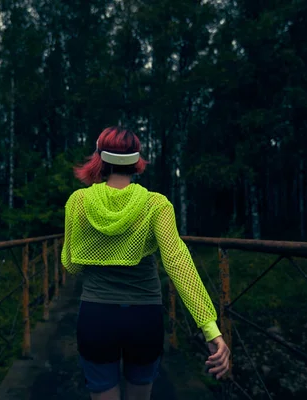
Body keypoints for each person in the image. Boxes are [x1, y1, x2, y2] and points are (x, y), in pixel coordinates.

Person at [61, 126, 230, 400]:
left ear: (100, 158)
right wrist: (211, 330)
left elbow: (71, 264)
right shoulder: (156, 204)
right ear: (136, 160)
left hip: (96, 318)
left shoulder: (78, 202)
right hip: (144, 319)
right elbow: (177, 262)